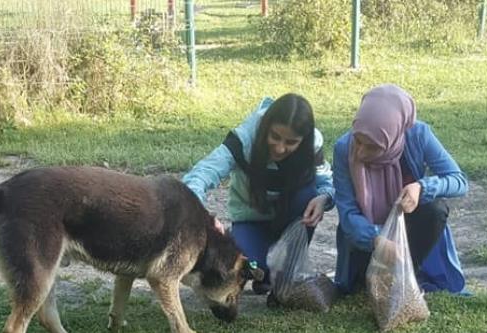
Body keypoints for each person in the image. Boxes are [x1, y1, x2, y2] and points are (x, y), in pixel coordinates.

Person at [183, 93, 335, 294]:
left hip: (290, 218)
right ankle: (267, 269)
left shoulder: (312, 144)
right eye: (275, 136)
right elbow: (202, 173)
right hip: (251, 220)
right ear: (265, 128)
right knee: (251, 266)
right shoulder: (244, 139)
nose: (280, 148)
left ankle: (286, 267)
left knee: (308, 194)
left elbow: (326, 181)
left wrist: (324, 198)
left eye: (291, 142)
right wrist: (201, 215)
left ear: (303, 140)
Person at [333, 84, 468, 295]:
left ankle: (407, 276)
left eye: (373, 146)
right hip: (365, 239)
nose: (360, 152)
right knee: (362, 282)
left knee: (435, 209)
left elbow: (458, 181)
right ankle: (372, 278)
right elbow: (347, 213)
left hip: (407, 236)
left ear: (394, 136)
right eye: (358, 141)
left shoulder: (417, 136)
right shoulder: (344, 149)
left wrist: (421, 188)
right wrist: (377, 240)